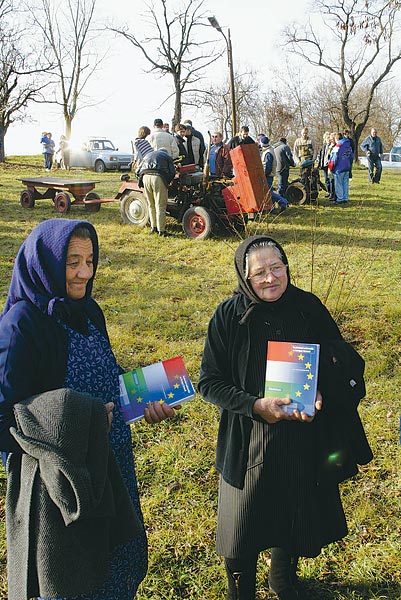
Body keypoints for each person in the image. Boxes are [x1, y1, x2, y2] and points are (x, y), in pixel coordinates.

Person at [0, 219, 180, 599]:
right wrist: (76, 425)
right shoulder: (22, 327)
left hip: (111, 463)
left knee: (119, 560)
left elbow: (106, 373)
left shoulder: (88, 311)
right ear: (44, 264)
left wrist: (144, 396)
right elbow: (5, 419)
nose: (85, 272)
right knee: (76, 577)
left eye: (90, 260)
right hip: (63, 484)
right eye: (72, 262)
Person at [199, 235, 372, 600]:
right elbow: (209, 383)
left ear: (286, 267)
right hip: (247, 439)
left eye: (276, 268)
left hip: (301, 435)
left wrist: (322, 389)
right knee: (241, 526)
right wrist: (255, 406)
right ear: (245, 276)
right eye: (259, 272)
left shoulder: (307, 307)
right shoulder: (229, 316)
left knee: (293, 512)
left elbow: (337, 356)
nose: (270, 279)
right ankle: (241, 591)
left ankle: (283, 581)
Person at [138, 148, 176, 237]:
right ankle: (161, 230)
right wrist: (167, 182)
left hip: (145, 177)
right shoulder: (167, 156)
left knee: (151, 204)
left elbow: (138, 171)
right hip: (158, 178)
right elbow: (172, 172)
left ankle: (153, 227)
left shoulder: (147, 155)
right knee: (160, 205)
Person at [328, 132, 354, 205]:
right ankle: (345, 198)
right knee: (345, 183)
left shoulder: (338, 146)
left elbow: (334, 158)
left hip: (339, 168)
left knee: (338, 184)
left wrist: (331, 167)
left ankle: (340, 199)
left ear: (336, 139)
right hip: (347, 167)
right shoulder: (348, 146)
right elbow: (352, 157)